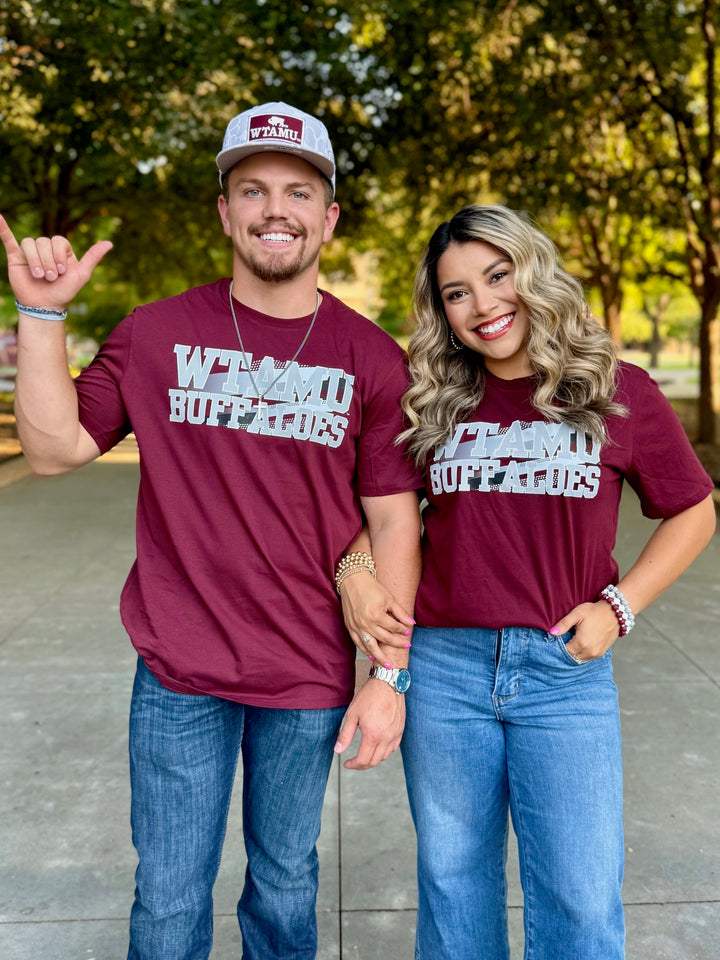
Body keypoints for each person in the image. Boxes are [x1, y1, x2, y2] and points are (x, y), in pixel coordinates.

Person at [0, 101, 421, 960]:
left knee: (285, 885)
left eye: (299, 192)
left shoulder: (371, 358)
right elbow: (51, 451)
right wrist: (42, 316)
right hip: (178, 670)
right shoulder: (157, 333)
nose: (277, 209)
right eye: (253, 189)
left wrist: (389, 676)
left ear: (329, 218)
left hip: (306, 674)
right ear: (224, 210)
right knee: (168, 895)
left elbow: (393, 517)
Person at [337, 204, 716, 960]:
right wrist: (354, 572)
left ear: (531, 271)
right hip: (444, 671)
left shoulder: (617, 391)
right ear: (441, 312)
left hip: (563, 674)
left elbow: (695, 511)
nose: (482, 305)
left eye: (497, 275)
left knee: (580, 898)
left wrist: (621, 605)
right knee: (454, 889)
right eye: (456, 293)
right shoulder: (430, 402)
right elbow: (393, 521)